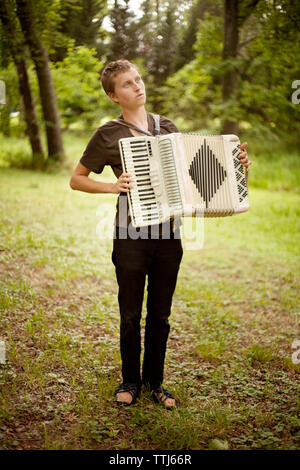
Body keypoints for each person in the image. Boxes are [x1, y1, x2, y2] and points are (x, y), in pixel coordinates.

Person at [69, 59, 251, 410]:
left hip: (169, 234)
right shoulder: (107, 134)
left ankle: (155, 383)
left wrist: (235, 165)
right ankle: (129, 381)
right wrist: (112, 186)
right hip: (130, 234)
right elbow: (76, 179)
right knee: (130, 313)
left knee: (161, 314)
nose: (137, 86)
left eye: (138, 79)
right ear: (113, 95)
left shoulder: (167, 127)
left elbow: (194, 174)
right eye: (127, 83)